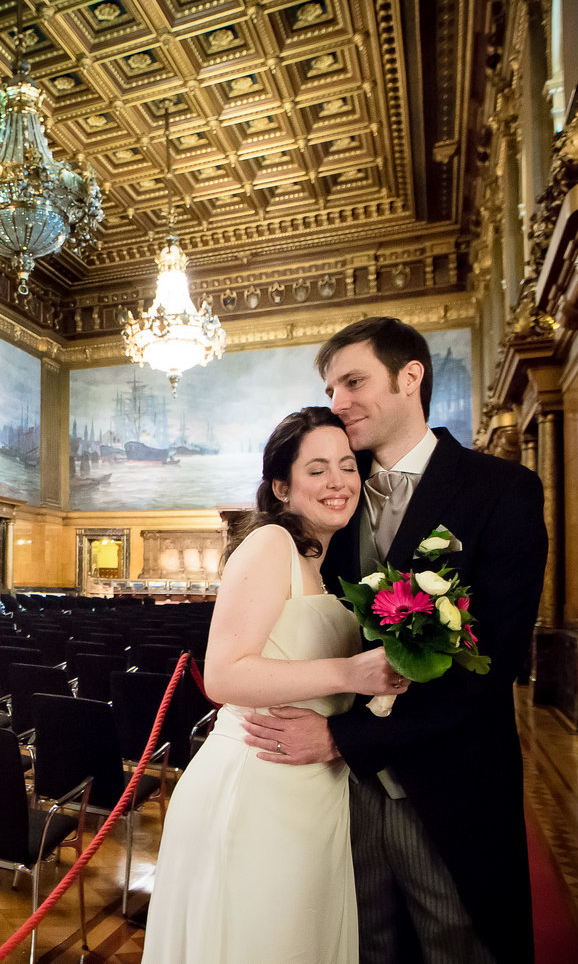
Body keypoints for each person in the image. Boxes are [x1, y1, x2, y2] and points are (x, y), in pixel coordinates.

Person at [242, 317, 546, 964]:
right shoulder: (336, 507)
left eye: (354, 381)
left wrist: (339, 737)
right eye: (330, 387)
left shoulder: (502, 491)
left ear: (412, 377)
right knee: (368, 944)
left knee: (456, 944)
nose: (338, 401)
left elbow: (490, 667)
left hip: (447, 787)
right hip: (344, 794)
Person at [144, 406, 401, 964]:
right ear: (282, 486)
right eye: (317, 469)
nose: (338, 482)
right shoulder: (270, 546)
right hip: (257, 785)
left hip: (312, 787)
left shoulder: (326, 564)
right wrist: (351, 672)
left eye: (347, 466)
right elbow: (225, 674)